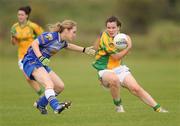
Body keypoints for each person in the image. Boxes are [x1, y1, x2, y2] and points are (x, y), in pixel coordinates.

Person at [92, 16, 168, 113]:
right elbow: (117, 57)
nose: (111, 30)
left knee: (136, 88)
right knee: (114, 79)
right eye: (108, 27)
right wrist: (128, 48)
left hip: (119, 68)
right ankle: (118, 106)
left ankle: (158, 109)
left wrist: (126, 45)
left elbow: (123, 51)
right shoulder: (105, 38)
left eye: (113, 27)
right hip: (104, 69)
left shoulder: (122, 37)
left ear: (118, 28)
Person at [22, 20, 95, 114]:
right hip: (32, 61)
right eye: (74, 32)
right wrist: (40, 57)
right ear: (66, 30)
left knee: (59, 86)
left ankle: (41, 104)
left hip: (41, 64)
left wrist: (84, 50)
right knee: (49, 84)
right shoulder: (51, 36)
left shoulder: (62, 41)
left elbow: (68, 46)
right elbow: (34, 43)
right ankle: (56, 106)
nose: (75, 35)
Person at [11, 6, 44, 96]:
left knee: (35, 75)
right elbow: (14, 43)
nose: (20, 16)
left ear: (27, 16)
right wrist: (13, 37)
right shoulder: (15, 27)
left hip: (33, 54)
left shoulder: (33, 26)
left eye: (22, 14)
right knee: (29, 78)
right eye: (18, 14)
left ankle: (47, 92)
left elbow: (43, 37)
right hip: (22, 56)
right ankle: (42, 94)